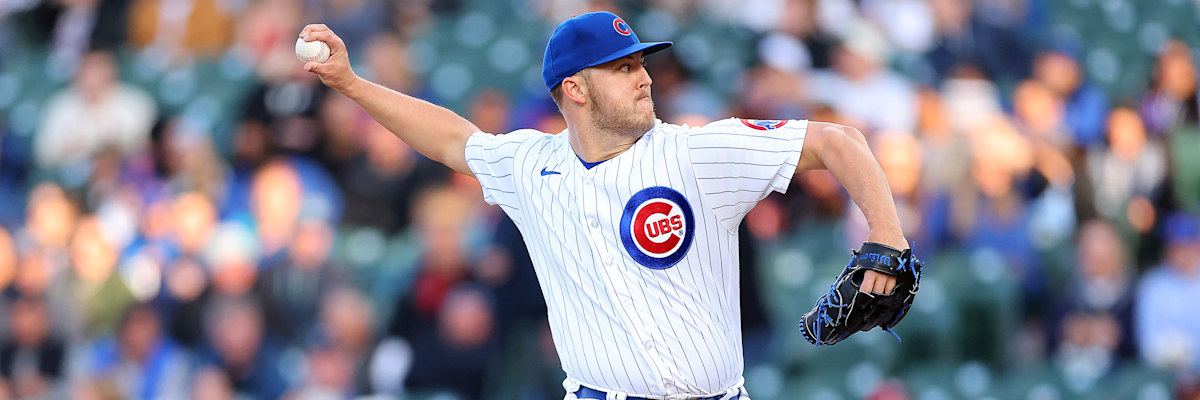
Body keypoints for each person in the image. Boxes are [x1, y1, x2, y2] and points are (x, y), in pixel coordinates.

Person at [300, 11, 909, 399]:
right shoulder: (531, 166)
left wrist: (888, 239)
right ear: (575, 88)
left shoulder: (697, 152)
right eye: (622, 67)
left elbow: (840, 142)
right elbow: (450, 140)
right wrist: (351, 84)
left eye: (641, 62)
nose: (645, 77)